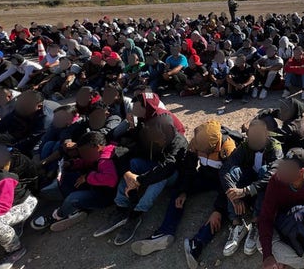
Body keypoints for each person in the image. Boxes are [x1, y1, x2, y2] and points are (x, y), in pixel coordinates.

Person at [131, 120, 236, 267]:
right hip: (206, 176)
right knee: (178, 191)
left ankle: (198, 244)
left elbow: (232, 182)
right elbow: (190, 168)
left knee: (222, 211)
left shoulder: (228, 149)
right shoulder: (197, 141)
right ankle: (165, 231)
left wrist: (218, 210)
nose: (199, 151)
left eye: (204, 150)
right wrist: (184, 191)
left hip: (224, 181)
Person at [93, 113, 187, 246]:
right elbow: (121, 150)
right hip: (152, 168)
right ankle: (122, 207)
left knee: (160, 176)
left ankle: (137, 213)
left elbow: (167, 168)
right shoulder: (148, 134)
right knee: (133, 163)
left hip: (171, 176)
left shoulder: (179, 143)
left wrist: (139, 181)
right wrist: (127, 174)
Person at [30, 131, 121, 232]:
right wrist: (72, 163)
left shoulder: (106, 160)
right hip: (97, 186)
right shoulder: (99, 153)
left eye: (85, 153)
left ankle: (57, 216)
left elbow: (111, 179)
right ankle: (77, 209)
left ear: (97, 147)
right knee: (69, 178)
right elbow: (88, 162)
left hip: (106, 195)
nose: (83, 155)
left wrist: (87, 177)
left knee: (72, 198)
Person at [219, 119, 283, 257]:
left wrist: (246, 191)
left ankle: (256, 223)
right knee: (233, 171)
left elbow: (273, 174)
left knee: (265, 170)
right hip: (248, 181)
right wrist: (235, 198)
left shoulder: (275, 147)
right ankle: (237, 224)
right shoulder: (244, 146)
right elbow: (224, 169)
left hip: (263, 189)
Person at [0, 161, 38, 269]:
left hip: (23, 204)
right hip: (4, 210)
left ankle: (15, 249)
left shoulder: (3, 179)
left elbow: (1, 208)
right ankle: (13, 228)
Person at [0, 90, 55, 156]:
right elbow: (1, 125)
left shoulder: (46, 119)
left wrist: (9, 150)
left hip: (43, 139)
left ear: (39, 106)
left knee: (34, 153)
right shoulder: (22, 107)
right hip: (25, 132)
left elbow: (30, 141)